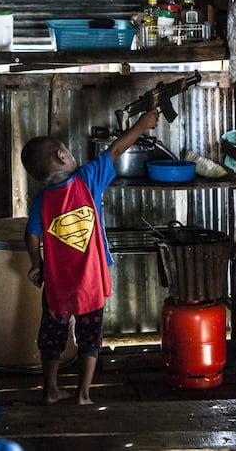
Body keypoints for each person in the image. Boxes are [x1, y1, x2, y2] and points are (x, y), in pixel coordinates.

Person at [21, 109, 159, 405]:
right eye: (69, 152)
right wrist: (143, 124)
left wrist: (37, 263)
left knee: (51, 337)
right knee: (90, 338)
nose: (72, 156)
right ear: (61, 156)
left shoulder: (41, 200)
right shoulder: (87, 179)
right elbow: (117, 148)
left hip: (58, 285)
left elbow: (31, 235)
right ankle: (83, 394)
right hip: (91, 282)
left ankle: (50, 391)